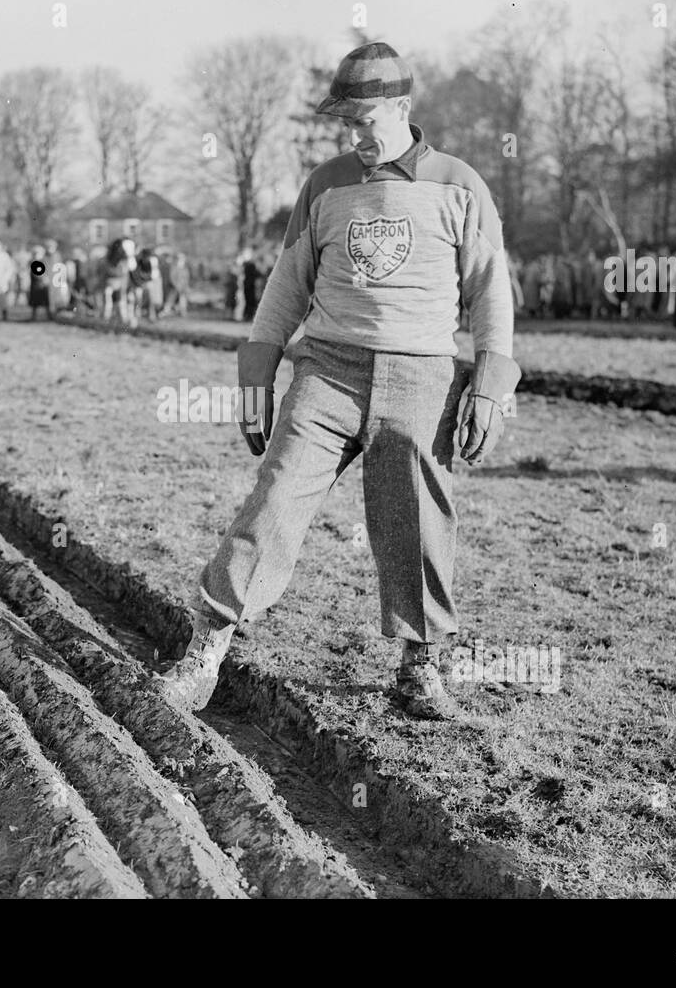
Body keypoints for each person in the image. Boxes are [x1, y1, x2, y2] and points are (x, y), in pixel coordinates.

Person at [160, 42, 521, 721]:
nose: (356, 136)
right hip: (328, 370)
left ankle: (418, 671)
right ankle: (204, 653)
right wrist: (259, 366)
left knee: (412, 521)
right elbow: (286, 285)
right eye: (347, 124)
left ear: (404, 109)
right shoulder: (325, 185)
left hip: (422, 376)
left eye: (367, 121)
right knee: (274, 499)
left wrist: (492, 382)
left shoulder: (460, 184)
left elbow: (491, 291)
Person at [102, 237, 135, 325]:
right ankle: (107, 317)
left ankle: (123, 318)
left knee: (121, 299)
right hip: (113, 282)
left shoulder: (123, 259)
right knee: (109, 296)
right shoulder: (112, 258)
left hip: (120, 282)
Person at [163, 251, 191, 317]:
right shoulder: (174, 267)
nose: (182, 259)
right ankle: (166, 310)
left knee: (183, 299)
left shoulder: (185, 268)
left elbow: (187, 277)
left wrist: (186, 286)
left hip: (183, 287)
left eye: (183, 258)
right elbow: (172, 277)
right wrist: (175, 285)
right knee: (171, 298)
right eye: (180, 258)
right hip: (175, 287)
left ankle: (183, 311)